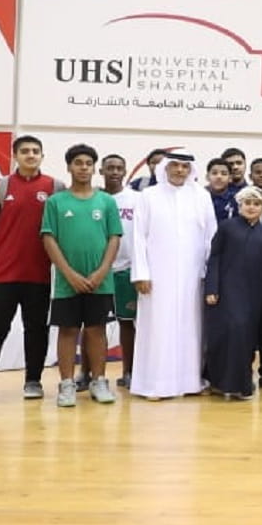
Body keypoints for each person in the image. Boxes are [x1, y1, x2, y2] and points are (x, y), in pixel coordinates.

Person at [0, 135, 57, 403]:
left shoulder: (55, 188)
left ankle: (33, 380)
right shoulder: (0, 187)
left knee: (37, 330)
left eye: (36, 151)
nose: (31, 155)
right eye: (25, 151)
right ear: (15, 156)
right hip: (2, 275)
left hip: (39, 276)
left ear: (42, 156)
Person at [39, 144, 124, 408]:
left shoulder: (106, 201)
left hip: (101, 281)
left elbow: (114, 238)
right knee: (68, 331)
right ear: (69, 167)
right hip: (68, 282)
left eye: (88, 163)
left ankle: (99, 380)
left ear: (94, 168)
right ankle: (66, 384)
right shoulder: (56, 202)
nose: (83, 167)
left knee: (97, 331)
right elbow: (49, 238)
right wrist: (69, 273)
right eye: (78, 163)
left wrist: (101, 272)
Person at [131, 152, 218, 401]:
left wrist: (206, 273)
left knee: (191, 328)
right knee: (158, 327)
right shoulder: (149, 196)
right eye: (175, 166)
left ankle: (189, 382)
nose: (180, 170)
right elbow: (138, 236)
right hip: (156, 276)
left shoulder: (201, 196)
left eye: (184, 166)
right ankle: (155, 385)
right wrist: (141, 273)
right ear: (165, 168)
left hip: (193, 276)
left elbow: (210, 237)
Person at [201, 186, 262, 400]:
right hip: (226, 291)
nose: (251, 207)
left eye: (256, 204)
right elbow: (214, 259)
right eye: (247, 203)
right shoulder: (226, 227)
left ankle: (242, 384)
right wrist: (212, 288)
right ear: (240, 205)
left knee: (245, 338)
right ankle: (219, 382)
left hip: (254, 294)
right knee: (227, 335)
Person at [101, 154, 142, 389]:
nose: (115, 172)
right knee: (94, 325)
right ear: (102, 171)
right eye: (110, 168)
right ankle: (90, 374)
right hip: (98, 271)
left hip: (127, 270)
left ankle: (129, 372)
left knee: (127, 324)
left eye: (119, 168)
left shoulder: (137, 199)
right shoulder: (94, 197)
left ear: (125, 171)